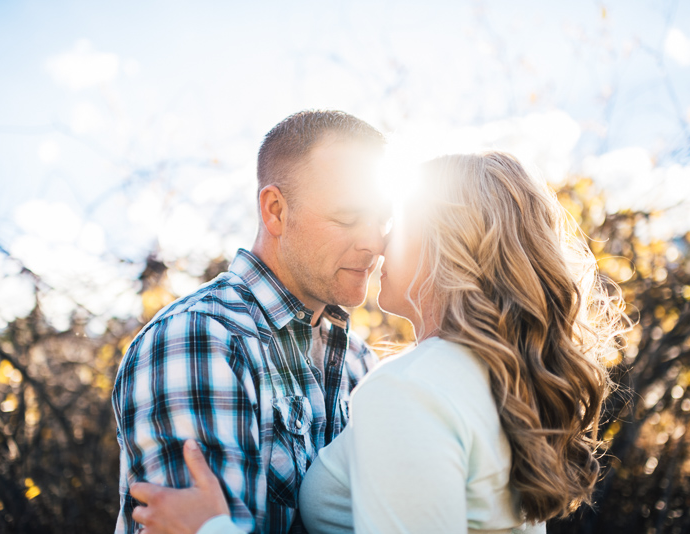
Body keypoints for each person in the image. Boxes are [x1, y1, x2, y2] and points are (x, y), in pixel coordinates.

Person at [130, 152, 627, 533]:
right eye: (353, 219)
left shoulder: (410, 390)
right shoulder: (502, 383)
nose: (379, 241)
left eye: (396, 223)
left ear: (445, 245)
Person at [111, 110, 391, 534]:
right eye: (348, 218)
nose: (374, 242)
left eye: (382, 220)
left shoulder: (360, 363)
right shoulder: (199, 339)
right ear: (275, 210)